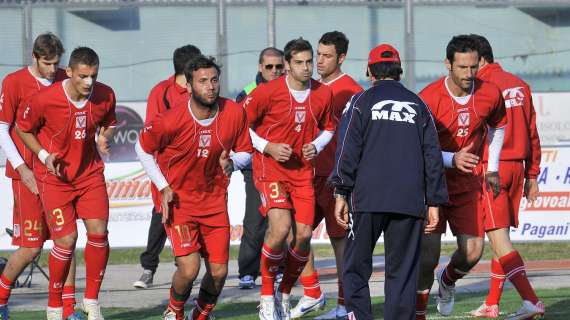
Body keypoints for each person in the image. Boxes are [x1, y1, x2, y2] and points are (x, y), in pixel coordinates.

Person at [330, 43, 447, 320]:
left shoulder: (360, 102)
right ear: (400, 71)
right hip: (408, 202)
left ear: (370, 71)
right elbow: (432, 154)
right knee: (403, 272)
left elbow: (347, 148)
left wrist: (340, 191)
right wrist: (434, 200)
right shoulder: (419, 105)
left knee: (356, 268)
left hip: (367, 199)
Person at [135, 55, 253, 320]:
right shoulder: (171, 119)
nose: (210, 86)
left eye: (214, 80)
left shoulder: (233, 113)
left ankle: (200, 313)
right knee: (189, 269)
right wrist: (163, 186)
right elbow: (141, 148)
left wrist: (233, 163)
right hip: (181, 203)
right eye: (202, 81)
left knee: (220, 272)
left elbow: (246, 151)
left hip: (214, 203)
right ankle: (174, 311)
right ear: (188, 86)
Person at [16, 46, 116, 320]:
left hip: (89, 174)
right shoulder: (45, 99)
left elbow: (109, 122)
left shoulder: (105, 94)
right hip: (55, 179)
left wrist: (104, 137)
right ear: (69, 72)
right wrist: (43, 155)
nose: (89, 82)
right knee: (66, 240)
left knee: (99, 233)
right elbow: (22, 128)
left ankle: (92, 302)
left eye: (93, 76)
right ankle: (54, 307)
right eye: (83, 76)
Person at [415, 35, 507, 320]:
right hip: (432, 183)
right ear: (448, 64)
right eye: (462, 67)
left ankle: (448, 281)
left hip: (466, 184)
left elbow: (498, 126)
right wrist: (451, 159)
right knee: (428, 256)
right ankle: (418, 313)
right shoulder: (428, 98)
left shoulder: (490, 93)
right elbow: (417, 146)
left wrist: (491, 167)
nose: (469, 74)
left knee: (473, 251)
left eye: (473, 67)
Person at [243, 38, 335, 320]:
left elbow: (329, 127)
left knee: (305, 235)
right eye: (300, 62)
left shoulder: (322, 94)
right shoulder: (265, 93)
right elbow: (242, 127)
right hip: (269, 169)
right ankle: (267, 298)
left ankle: (284, 293)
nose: (307, 67)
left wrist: (316, 146)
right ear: (287, 65)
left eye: (310, 62)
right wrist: (268, 147)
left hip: (302, 172)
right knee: (281, 228)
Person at [0, 33, 82, 320]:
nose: (52, 69)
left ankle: (69, 310)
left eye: (56, 63)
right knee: (31, 247)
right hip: (28, 176)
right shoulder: (13, 82)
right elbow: (3, 128)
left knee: (66, 239)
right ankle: (0, 298)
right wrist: (22, 169)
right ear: (34, 57)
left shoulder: (65, 78)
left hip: (58, 175)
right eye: (47, 63)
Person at [468, 34, 544, 320]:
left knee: (498, 238)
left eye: (471, 62)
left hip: (492, 170)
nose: (468, 69)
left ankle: (531, 300)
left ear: (481, 58)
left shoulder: (482, 87)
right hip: (517, 169)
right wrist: (532, 175)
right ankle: (491, 303)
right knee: (501, 237)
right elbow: (533, 132)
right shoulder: (520, 84)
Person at [290, 31, 362, 320]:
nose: (319, 61)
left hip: (336, 180)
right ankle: (312, 292)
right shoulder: (311, 87)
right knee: (295, 235)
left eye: (326, 55)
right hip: (307, 176)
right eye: (317, 54)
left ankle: (345, 306)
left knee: (340, 242)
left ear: (341, 58)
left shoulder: (352, 90)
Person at [133, 44, 202, 289]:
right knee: (162, 214)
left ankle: (184, 267)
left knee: (193, 216)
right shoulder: (161, 92)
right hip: (167, 167)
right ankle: (148, 268)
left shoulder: (201, 88)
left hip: (198, 167)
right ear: (187, 69)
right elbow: (153, 131)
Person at [235, 47, 284, 290]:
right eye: (269, 67)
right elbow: (242, 129)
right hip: (256, 166)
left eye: (279, 67)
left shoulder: (292, 88)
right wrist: (267, 147)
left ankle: (281, 268)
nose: (274, 71)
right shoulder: (247, 93)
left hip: (286, 166)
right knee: (255, 220)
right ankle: (247, 271)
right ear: (259, 67)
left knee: (284, 221)